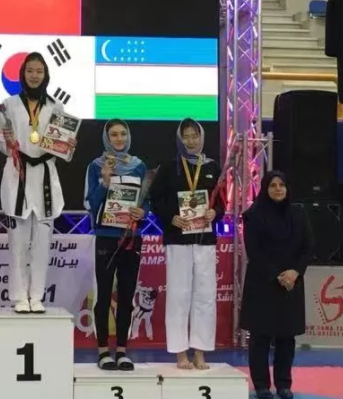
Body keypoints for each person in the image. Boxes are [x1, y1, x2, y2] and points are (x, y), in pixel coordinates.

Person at [0, 52, 76, 314]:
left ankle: (36, 296)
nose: (34, 75)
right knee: (17, 243)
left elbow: (63, 145)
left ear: (45, 75)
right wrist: (8, 144)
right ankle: (19, 297)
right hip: (18, 175)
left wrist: (69, 145)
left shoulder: (56, 106)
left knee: (41, 245)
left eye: (39, 71)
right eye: (30, 71)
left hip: (46, 177)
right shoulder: (8, 105)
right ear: (22, 74)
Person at [149, 118, 224, 369]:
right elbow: (155, 200)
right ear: (180, 139)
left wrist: (215, 213)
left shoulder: (213, 167)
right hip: (177, 240)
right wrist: (170, 217)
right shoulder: (169, 167)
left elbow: (221, 202)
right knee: (178, 295)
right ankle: (180, 352)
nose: (191, 141)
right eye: (186, 137)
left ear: (201, 137)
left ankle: (200, 351)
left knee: (205, 296)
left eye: (195, 136)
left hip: (205, 240)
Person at [241, 171, 313, 399]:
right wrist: (278, 276)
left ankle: (284, 384)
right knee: (260, 337)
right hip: (262, 282)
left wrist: (294, 273)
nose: (278, 189)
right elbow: (254, 251)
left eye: (282, 185)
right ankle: (261, 385)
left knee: (286, 337)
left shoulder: (299, 213)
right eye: (272, 185)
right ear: (265, 188)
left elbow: (308, 247)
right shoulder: (253, 215)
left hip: (291, 283)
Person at [84, 119, 148, 370]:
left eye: (123, 134)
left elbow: (146, 199)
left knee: (127, 295)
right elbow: (90, 203)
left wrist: (143, 211)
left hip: (131, 237)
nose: (119, 139)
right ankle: (103, 351)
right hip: (106, 236)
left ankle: (122, 350)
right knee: (102, 295)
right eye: (114, 135)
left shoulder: (139, 166)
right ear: (106, 138)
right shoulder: (95, 166)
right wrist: (104, 181)